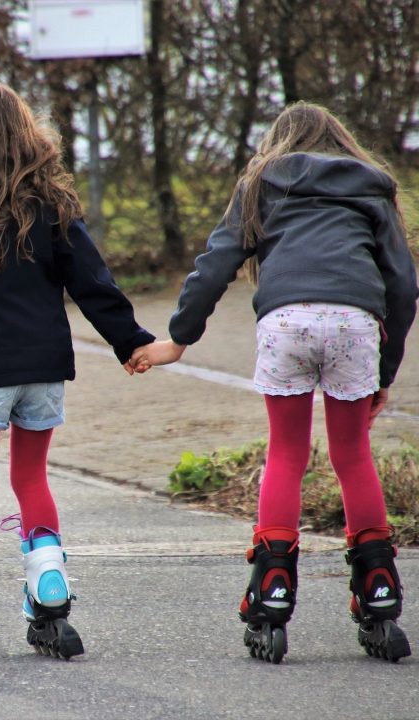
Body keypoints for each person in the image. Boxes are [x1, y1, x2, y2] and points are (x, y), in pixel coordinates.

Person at [131, 102, 416, 664]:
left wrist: (180, 338)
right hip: (355, 324)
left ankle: (272, 591)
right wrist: (386, 368)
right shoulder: (372, 187)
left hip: (284, 321)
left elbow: (215, 264)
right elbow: (403, 286)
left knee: (286, 453)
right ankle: (379, 590)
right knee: (353, 455)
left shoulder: (262, 181)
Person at [0, 80, 155, 664]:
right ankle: (50, 587)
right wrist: (131, 342)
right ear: (24, 132)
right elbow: (92, 282)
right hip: (43, 368)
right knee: (31, 478)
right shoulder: (52, 204)